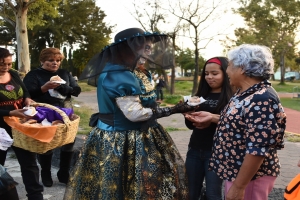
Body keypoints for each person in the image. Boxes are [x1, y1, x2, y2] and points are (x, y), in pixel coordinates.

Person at [63, 28, 198, 200]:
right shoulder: (118, 75)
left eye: (149, 48)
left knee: (140, 186)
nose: (148, 52)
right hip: (122, 139)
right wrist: (174, 109)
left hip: (135, 134)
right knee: (123, 187)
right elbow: (135, 114)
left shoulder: (131, 71)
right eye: (144, 47)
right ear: (127, 48)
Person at [185, 44, 286, 200]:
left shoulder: (261, 99)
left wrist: (239, 187)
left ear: (242, 68)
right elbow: (242, 124)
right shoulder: (244, 93)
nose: (227, 70)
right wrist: (211, 117)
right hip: (238, 173)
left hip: (250, 178)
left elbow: (257, 149)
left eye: (230, 66)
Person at [23, 47, 81, 187]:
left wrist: (63, 88)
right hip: (45, 113)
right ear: (42, 61)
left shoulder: (64, 73)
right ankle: (46, 173)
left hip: (66, 113)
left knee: (68, 143)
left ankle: (64, 173)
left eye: (58, 60)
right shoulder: (34, 75)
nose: (55, 63)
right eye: (51, 60)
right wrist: (44, 88)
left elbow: (77, 90)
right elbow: (27, 94)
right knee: (47, 144)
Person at [184, 57, 233, 200]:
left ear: (225, 73)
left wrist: (212, 119)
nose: (209, 77)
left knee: (213, 194)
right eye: (206, 73)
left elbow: (234, 126)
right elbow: (190, 127)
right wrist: (189, 116)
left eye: (214, 73)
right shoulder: (199, 96)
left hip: (218, 152)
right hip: (194, 150)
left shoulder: (233, 98)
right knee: (190, 193)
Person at [0, 48, 43, 200]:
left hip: (19, 125)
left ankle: (35, 196)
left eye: (9, 63)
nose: (6, 67)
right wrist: (10, 113)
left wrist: (28, 99)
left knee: (29, 163)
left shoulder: (13, 74)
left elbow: (25, 92)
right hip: (1, 129)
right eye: (1, 64)